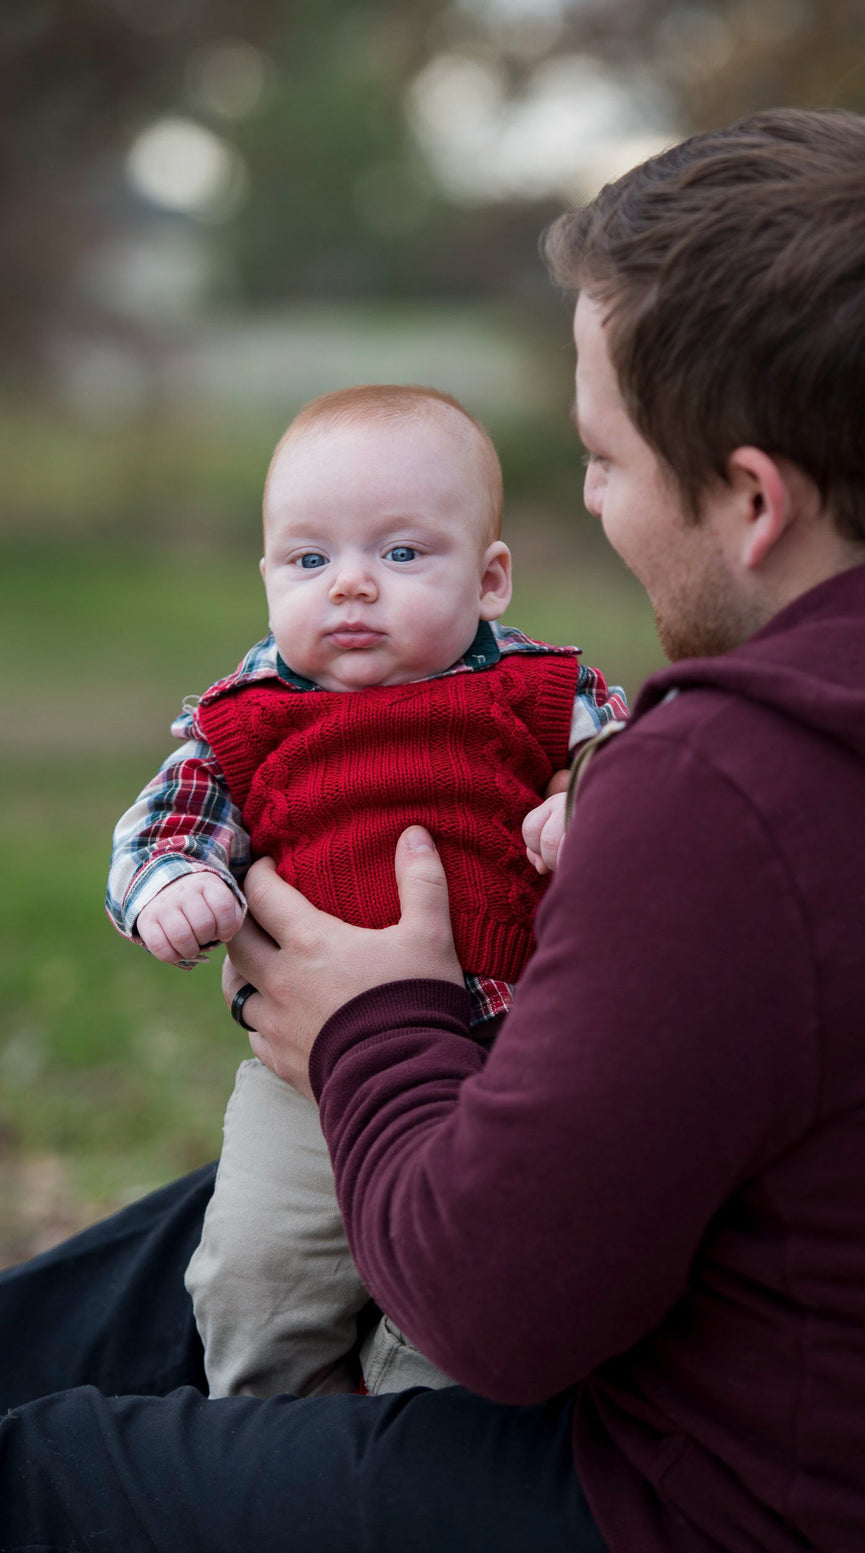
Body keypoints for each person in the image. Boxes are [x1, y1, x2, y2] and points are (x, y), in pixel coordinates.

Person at [1, 108, 865, 1553]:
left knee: (43, 1486)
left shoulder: (744, 787)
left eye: (603, 462)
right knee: (184, 1247)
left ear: (754, 500)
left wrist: (372, 1021)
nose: (596, 506)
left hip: (728, 1523)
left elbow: (499, 1306)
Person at [105, 381, 627, 1400]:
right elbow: (160, 828)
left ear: (489, 580)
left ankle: (409, 1440)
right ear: (267, 576)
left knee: (455, 1316)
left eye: (399, 554)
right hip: (305, 1081)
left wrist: (585, 802)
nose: (350, 585)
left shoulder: (541, 693)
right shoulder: (244, 720)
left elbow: (636, 768)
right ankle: (268, 1443)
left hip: (508, 1070)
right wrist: (174, 883)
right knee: (256, 1274)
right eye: (310, 559)